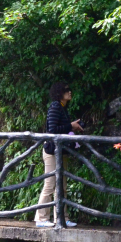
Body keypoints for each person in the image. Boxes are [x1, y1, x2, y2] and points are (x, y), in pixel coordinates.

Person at [35, 82, 83, 227]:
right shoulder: (55, 107)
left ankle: (62, 218)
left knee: (61, 186)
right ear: (59, 93)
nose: (70, 92)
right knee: (50, 184)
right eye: (67, 90)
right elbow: (52, 130)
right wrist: (70, 126)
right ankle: (41, 219)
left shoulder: (62, 108)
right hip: (51, 152)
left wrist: (73, 127)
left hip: (60, 152)